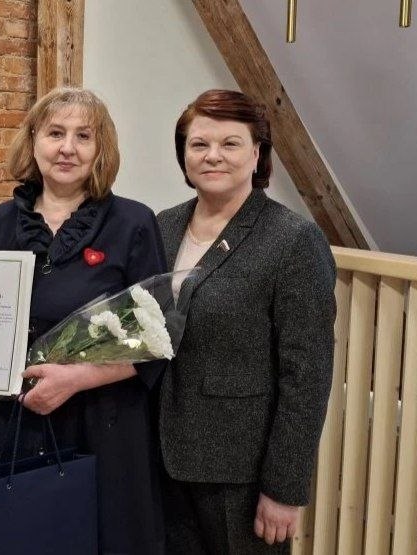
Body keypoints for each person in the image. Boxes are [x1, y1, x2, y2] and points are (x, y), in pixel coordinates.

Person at [0, 87, 167, 554]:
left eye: (83, 136)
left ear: (101, 148)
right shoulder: (1, 220)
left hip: (102, 423)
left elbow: (158, 338)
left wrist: (75, 379)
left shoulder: (134, 222)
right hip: (14, 422)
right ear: (33, 140)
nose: (67, 148)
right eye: (55, 133)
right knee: (21, 538)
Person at [156, 89, 336, 554]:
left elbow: (307, 376)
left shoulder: (293, 239)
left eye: (230, 143)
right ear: (183, 155)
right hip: (161, 460)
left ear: (257, 154)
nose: (212, 155)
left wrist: (284, 489)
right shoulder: (162, 226)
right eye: (199, 144)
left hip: (242, 474)